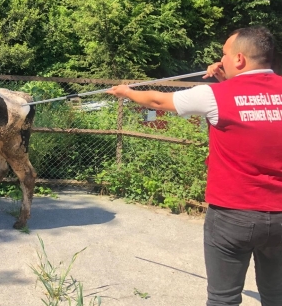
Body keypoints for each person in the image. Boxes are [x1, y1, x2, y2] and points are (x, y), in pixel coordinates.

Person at [106, 26, 282, 306]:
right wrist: (227, 81)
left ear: (239, 59)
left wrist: (127, 92)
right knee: (276, 296)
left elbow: (156, 100)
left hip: (232, 215)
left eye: (224, 54)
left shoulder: (214, 95)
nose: (218, 60)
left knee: (223, 299)